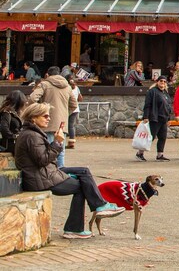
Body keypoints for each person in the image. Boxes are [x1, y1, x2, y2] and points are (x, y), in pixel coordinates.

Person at [15, 102, 125, 239]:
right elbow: (42, 160)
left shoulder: (32, 133)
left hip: (44, 173)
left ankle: (98, 208)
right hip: (40, 179)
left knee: (84, 172)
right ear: (33, 118)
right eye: (45, 116)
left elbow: (43, 159)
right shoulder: (32, 136)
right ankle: (77, 226)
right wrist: (57, 143)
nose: (48, 118)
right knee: (82, 187)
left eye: (49, 116)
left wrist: (55, 143)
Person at [28, 66, 74, 168]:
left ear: (47, 74)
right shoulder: (67, 86)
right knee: (60, 150)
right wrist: (65, 114)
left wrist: (37, 111)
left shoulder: (44, 84)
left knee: (47, 150)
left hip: (45, 121)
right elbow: (74, 105)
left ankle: (49, 173)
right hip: (62, 124)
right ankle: (61, 173)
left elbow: (32, 98)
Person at [139, 75, 173, 161]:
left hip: (164, 118)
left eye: (164, 82)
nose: (163, 83)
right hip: (155, 118)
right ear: (157, 82)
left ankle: (160, 155)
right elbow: (148, 104)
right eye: (161, 81)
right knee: (151, 137)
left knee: (162, 137)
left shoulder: (165, 93)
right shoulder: (152, 92)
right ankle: (140, 153)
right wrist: (146, 116)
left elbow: (168, 106)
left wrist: (169, 118)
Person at [67, 76, 82, 149]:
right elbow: (80, 98)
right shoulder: (77, 88)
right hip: (76, 109)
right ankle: (71, 141)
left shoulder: (67, 89)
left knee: (65, 125)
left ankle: (63, 141)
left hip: (68, 108)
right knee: (71, 126)